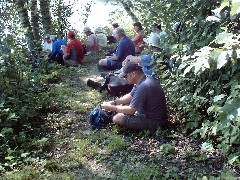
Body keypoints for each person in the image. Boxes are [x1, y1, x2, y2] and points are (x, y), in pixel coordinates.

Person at [101, 61, 168, 132]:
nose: (124, 79)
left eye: (125, 76)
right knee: (122, 105)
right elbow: (130, 96)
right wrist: (114, 102)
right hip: (149, 114)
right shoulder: (144, 80)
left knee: (117, 118)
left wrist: (112, 108)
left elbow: (131, 110)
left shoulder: (143, 86)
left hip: (155, 122)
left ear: (133, 74)